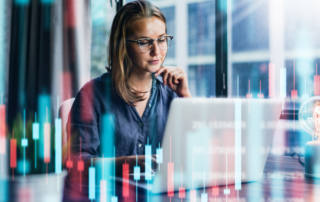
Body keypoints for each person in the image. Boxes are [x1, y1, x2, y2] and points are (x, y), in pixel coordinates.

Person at [66, 0, 191, 179]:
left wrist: (186, 97)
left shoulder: (172, 93)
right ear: (123, 45)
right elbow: (76, 162)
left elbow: (198, 154)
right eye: (144, 42)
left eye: (162, 40)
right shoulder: (92, 94)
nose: (157, 51)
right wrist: (126, 164)